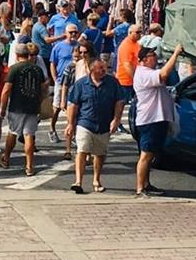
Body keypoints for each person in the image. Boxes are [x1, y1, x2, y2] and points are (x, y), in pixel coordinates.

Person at [66, 58, 125, 194]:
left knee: (99, 153)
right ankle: (78, 181)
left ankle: (96, 179)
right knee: (82, 150)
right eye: (101, 68)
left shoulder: (112, 83)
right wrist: (70, 123)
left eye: (105, 68)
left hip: (104, 124)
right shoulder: (81, 84)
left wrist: (116, 119)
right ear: (92, 70)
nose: (104, 70)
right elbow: (73, 104)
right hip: (85, 122)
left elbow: (119, 102)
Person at [133, 43, 183, 196]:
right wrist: (175, 54)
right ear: (143, 60)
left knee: (151, 154)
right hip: (150, 120)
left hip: (157, 119)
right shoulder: (143, 73)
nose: (155, 58)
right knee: (146, 155)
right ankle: (140, 188)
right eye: (151, 56)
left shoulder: (148, 72)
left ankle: (146, 184)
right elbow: (164, 74)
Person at [0, 43, 47, 177]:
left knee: (13, 133)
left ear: (17, 55)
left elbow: (7, 89)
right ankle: (29, 166)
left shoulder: (14, 69)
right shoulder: (37, 69)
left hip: (17, 106)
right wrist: (39, 101)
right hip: (32, 106)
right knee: (29, 135)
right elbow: (43, 89)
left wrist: (2, 107)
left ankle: (6, 158)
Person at [47, 22, 81, 143]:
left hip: (75, 83)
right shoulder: (58, 46)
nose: (73, 34)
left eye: (75, 32)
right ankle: (52, 129)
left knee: (73, 109)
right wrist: (55, 78)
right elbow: (53, 63)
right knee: (56, 107)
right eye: (70, 32)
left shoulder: (79, 46)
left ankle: (72, 133)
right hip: (61, 81)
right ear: (66, 33)